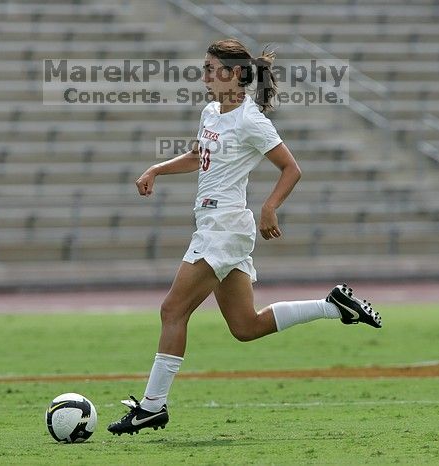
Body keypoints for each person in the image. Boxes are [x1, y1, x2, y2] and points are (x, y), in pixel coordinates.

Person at [107, 39, 382, 436]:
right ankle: (334, 306)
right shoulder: (211, 111)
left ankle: (152, 407)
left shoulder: (251, 120)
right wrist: (156, 168)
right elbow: (196, 156)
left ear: (236, 75)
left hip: (225, 227)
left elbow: (291, 168)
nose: (203, 76)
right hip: (213, 226)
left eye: (210, 69)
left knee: (172, 310)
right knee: (245, 327)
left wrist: (270, 207)